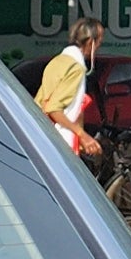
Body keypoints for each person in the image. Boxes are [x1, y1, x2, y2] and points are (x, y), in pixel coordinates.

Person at [34, 12, 104, 167]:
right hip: (59, 143)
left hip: (42, 136)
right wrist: (83, 135)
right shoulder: (76, 68)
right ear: (91, 42)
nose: (99, 46)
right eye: (99, 41)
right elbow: (54, 109)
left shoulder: (58, 61)